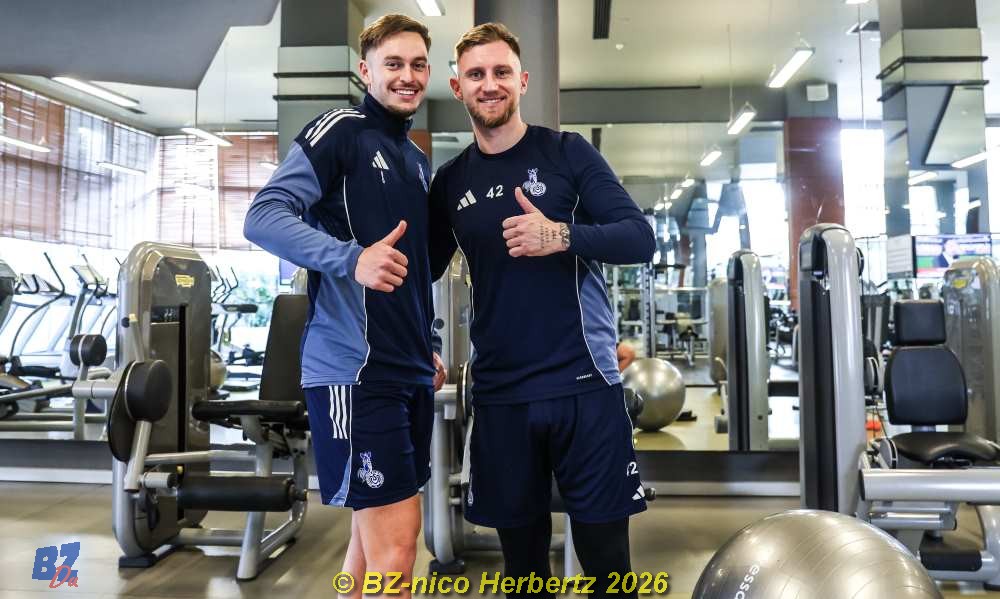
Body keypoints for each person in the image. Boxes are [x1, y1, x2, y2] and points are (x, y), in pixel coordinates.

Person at [428, 22, 656, 599]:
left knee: (609, 567)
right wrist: (421, 344)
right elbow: (416, 274)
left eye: (501, 72)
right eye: (476, 74)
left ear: (522, 80)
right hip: (502, 393)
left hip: (585, 386)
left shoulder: (565, 153)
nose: (490, 84)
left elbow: (638, 238)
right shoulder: (451, 181)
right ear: (458, 87)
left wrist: (561, 235)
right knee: (524, 572)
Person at [243, 14, 444, 599]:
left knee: (369, 542)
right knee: (398, 550)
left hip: (407, 367)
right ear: (365, 70)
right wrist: (349, 258)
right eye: (393, 63)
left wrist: (427, 342)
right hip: (355, 371)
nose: (407, 76)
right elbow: (263, 216)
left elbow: (414, 270)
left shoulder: (415, 158)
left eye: (418, 65)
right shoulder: (339, 131)